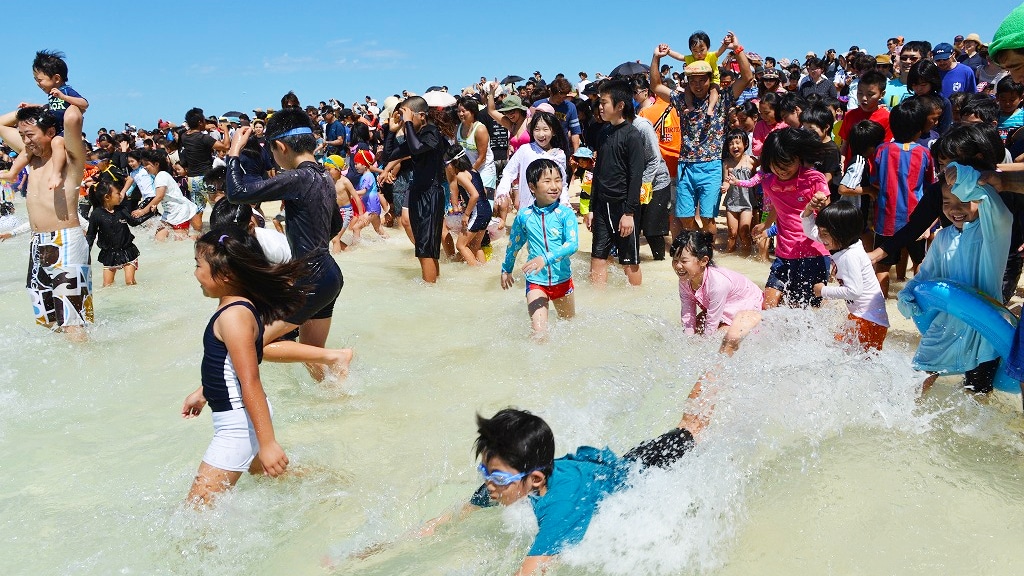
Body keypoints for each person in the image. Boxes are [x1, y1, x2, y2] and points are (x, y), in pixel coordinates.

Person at [420, 401, 704, 576]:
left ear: (535, 481)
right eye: (485, 471)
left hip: (641, 476)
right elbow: (455, 515)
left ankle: (729, 345)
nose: (490, 485)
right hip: (595, 472)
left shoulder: (560, 509)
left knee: (693, 427)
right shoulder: (508, 480)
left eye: (498, 478)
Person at [181, 227, 307, 507]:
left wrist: (268, 443)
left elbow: (250, 380)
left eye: (198, 266)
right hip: (243, 417)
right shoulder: (237, 308)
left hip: (238, 425)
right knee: (272, 477)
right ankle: (325, 489)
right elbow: (230, 366)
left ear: (224, 275)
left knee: (195, 515)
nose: (195, 273)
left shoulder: (234, 315)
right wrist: (205, 392)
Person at [224, 108, 353, 381]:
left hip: (312, 278)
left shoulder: (298, 177)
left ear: (280, 146)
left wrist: (234, 152)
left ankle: (338, 356)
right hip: (330, 273)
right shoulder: (323, 177)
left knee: (253, 344)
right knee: (310, 353)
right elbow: (333, 226)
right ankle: (337, 396)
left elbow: (238, 193)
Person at [898, 160, 1010, 396]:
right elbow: (925, 276)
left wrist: (968, 178)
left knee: (976, 392)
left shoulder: (992, 231)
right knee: (918, 376)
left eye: (963, 201)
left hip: (984, 328)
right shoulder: (943, 238)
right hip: (946, 322)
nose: (954, 209)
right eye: (947, 203)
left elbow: (996, 208)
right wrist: (907, 294)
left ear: (979, 199)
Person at [0, 105, 91, 339]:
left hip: (67, 242)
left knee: (72, 321)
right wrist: (28, 106)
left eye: (30, 135)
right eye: (22, 137)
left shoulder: (71, 158)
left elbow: (73, 116)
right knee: (47, 318)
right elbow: (1, 125)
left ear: (50, 132)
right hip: (37, 244)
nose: (26, 142)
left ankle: (83, 363)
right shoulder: (31, 158)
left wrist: (52, 102)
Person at [650, 32, 754, 235]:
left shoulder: (722, 100)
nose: (697, 85)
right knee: (686, 219)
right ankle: (696, 251)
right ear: (688, 81)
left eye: (702, 80)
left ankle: (708, 259)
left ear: (710, 79)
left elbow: (747, 77)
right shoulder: (682, 101)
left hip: (712, 166)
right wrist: (656, 58)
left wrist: (737, 48)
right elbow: (656, 86)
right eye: (693, 81)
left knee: (708, 219)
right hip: (686, 165)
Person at [747, 128, 831, 308]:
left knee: (806, 311)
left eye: (787, 163)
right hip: (784, 254)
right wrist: (766, 224)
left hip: (813, 253)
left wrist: (820, 202)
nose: (781, 170)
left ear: (799, 157)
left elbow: (828, 211)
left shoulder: (814, 179)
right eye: (776, 164)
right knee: (767, 306)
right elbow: (779, 205)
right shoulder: (770, 182)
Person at [501, 158, 578, 337]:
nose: (554, 186)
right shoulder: (524, 216)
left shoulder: (565, 214)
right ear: (532, 187)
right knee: (539, 333)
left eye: (558, 180)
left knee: (570, 329)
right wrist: (506, 269)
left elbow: (572, 245)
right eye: (547, 181)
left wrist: (546, 258)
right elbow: (514, 245)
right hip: (536, 282)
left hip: (563, 280)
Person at [802, 196, 889, 350]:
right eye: (821, 232)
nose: (821, 237)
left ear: (842, 233)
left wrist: (823, 291)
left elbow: (854, 291)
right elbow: (811, 231)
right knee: (842, 352)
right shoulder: (840, 242)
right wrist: (808, 210)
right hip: (862, 317)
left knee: (850, 358)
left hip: (869, 320)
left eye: (825, 233)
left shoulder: (850, 256)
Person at [868, 98, 934, 297]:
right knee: (919, 262)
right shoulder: (925, 154)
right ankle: (919, 303)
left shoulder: (882, 150)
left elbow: (875, 180)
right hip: (916, 219)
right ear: (920, 128)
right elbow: (929, 185)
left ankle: (879, 308)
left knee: (883, 264)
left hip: (886, 219)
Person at [0, 51, 89, 193]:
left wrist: (64, 97)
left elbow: (84, 104)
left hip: (63, 130)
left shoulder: (65, 90)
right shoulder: (51, 95)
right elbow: (49, 108)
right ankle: (13, 173)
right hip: (54, 127)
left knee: (57, 143)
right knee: (28, 148)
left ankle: (56, 173)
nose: (37, 83)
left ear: (56, 78)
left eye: (39, 79)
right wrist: (31, 106)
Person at [587, 80, 645, 286]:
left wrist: (629, 214)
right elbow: (598, 173)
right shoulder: (603, 132)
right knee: (598, 256)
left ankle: (637, 301)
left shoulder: (633, 136)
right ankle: (598, 305)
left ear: (620, 106)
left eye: (604, 103)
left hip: (624, 207)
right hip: (602, 205)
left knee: (629, 261)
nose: (600, 107)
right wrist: (591, 208)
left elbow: (636, 177)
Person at [671, 230, 762, 355]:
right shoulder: (685, 280)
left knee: (721, 338)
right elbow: (688, 313)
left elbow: (712, 322)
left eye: (683, 261)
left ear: (703, 261)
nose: (678, 266)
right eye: (675, 260)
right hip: (722, 308)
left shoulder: (717, 282)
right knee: (693, 331)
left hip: (747, 307)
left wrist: (705, 345)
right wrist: (688, 341)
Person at [388, 96, 447, 283]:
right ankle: (433, 286)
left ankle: (429, 290)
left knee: (426, 248)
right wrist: (392, 131)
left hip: (430, 194)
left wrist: (407, 124)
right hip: (418, 193)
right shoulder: (418, 135)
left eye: (407, 115)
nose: (405, 121)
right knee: (424, 247)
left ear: (421, 116)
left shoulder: (431, 132)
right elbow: (389, 154)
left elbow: (416, 148)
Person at [495, 111, 570, 211]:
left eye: (545, 129)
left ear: (554, 132)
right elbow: (509, 172)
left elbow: (562, 182)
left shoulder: (559, 155)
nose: (541, 134)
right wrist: (502, 191)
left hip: (552, 211)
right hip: (528, 209)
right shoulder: (525, 150)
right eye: (537, 129)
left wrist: (564, 202)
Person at [85, 171, 144, 287]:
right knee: (107, 286)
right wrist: (85, 256)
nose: (121, 195)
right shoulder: (96, 214)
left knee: (130, 282)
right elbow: (90, 236)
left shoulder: (121, 209)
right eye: (118, 193)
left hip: (128, 251)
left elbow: (134, 223)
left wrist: (148, 212)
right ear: (107, 197)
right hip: (109, 254)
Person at [180, 107, 231, 232]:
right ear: (200, 122)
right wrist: (225, 131)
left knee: (198, 209)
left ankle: (196, 234)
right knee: (219, 206)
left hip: (192, 179)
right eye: (204, 120)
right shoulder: (204, 138)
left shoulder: (184, 137)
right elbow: (225, 146)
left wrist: (205, 128)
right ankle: (222, 232)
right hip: (207, 179)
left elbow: (192, 132)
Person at [135, 149, 198, 241]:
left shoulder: (161, 176)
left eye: (146, 164)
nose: (144, 167)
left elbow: (159, 196)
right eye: (143, 165)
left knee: (181, 241)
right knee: (159, 239)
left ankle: (200, 238)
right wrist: (154, 205)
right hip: (169, 213)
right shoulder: (161, 175)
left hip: (179, 213)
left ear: (156, 164)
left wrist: (143, 211)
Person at [444, 144, 492, 266]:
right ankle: (483, 271)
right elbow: (483, 192)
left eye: (446, 164)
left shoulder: (460, 175)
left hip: (478, 212)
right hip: (486, 210)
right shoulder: (473, 170)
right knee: (476, 246)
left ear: (453, 162)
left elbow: (475, 195)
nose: (447, 168)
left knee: (460, 245)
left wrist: (466, 214)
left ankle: (475, 271)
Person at [719, 129, 758, 253]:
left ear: (745, 144)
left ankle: (745, 256)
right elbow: (726, 180)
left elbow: (757, 180)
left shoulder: (751, 161)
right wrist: (725, 186)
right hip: (732, 202)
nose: (734, 146)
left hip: (747, 203)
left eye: (737, 143)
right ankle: (729, 255)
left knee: (744, 232)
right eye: (731, 144)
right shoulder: (727, 163)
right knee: (732, 233)